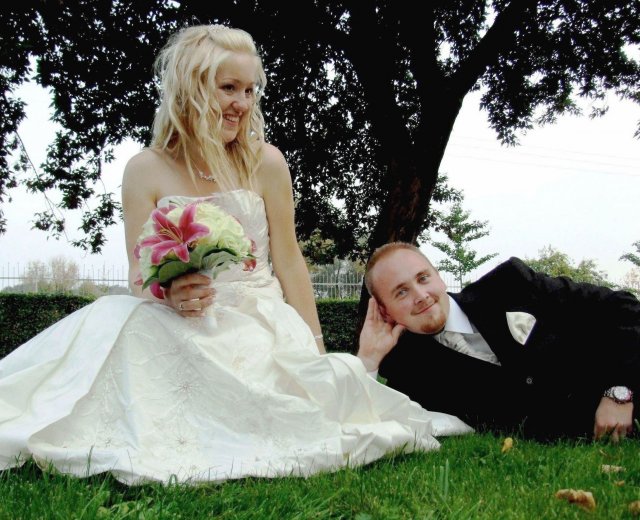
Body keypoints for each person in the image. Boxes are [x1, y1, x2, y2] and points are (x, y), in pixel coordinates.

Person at [0, 25, 471, 485]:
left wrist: (316, 350)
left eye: (250, 90)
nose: (242, 103)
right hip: (179, 319)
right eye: (229, 88)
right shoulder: (144, 170)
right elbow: (139, 274)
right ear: (191, 87)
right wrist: (168, 291)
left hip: (258, 317)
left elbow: (289, 260)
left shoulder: (266, 163)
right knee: (119, 317)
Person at [358, 241, 639, 442]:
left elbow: (623, 307)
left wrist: (619, 391)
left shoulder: (511, 285)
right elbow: (363, 429)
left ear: (439, 278)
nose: (421, 296)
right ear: (385, 312)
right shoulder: (406, 370)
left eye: (423, 278)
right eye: (401, 292)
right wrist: (368, 359)